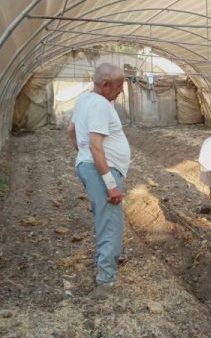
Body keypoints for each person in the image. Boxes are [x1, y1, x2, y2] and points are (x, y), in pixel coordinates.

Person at [68, 63, 131, 292]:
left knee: (105, 219)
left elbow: (71, 132)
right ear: (105, 85)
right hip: (101, 170)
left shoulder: (85, 100)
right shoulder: (100, 105)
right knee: (111, 224)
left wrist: (82, 157)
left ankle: (104, 263)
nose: (121, 90)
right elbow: (96, 147)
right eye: (118, 85)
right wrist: (111, 184)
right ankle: (106, 278)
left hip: (90, 167)